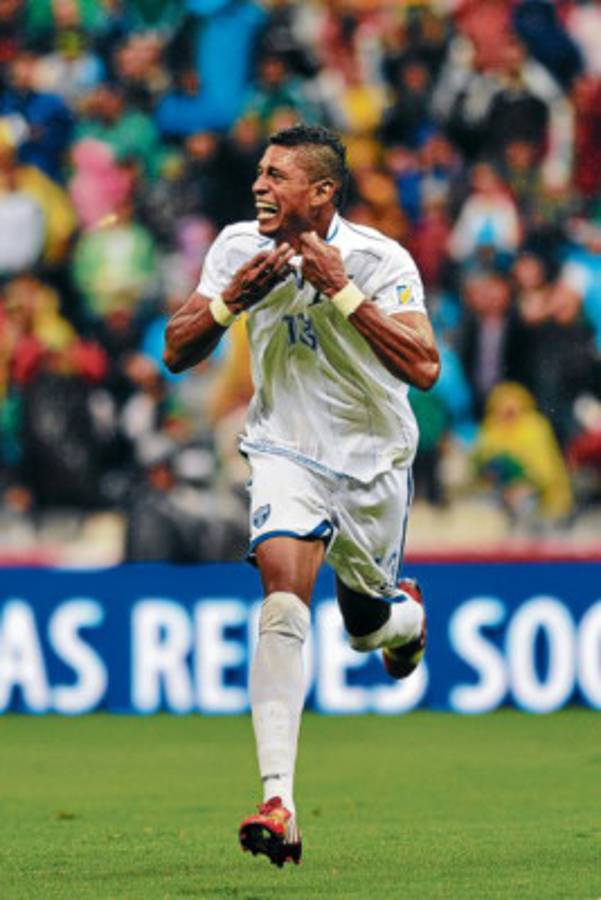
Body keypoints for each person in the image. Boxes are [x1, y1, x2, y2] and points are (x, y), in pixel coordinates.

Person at [163, 123, 440, 867]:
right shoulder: (235, 248)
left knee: (364, 627)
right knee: (283, 600)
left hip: (372, 462)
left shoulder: (379, 259)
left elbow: (424, 366)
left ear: (320, 192)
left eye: (276, 175)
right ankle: (278, 802)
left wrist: (342, 291)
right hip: (283, 450)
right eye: (260, 171)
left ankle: (405, 618)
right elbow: (175, 349)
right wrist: (229, 303)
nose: (259, 184)